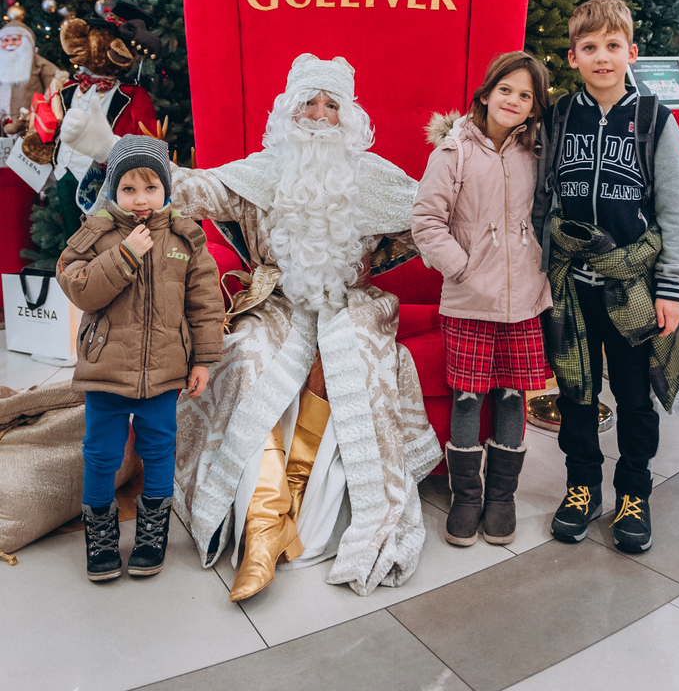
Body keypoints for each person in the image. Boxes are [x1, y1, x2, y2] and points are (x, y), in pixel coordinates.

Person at [58, 53, 442, 598]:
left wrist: (373, 262)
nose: (319, 113)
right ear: (289, 108)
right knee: (246, 365)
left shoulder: (374, 178)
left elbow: (426, 215)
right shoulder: (261, 172)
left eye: (332, 104)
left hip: (349, 305)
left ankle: (293, 510)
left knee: (349, 364)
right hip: (277, 301)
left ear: (348, 115)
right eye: (309, 101)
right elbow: (189, 190)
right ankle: (263, 525)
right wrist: (106, 150)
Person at [536, 0, 679, 554]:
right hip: (573, 290)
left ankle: (634, 492)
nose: (601, 57)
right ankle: (582, 485)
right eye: (588, 48)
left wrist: (672, 286)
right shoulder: (559, 116)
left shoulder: (653, 120)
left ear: (630, 52)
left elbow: (675, 211)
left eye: (611, 46)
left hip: (634, 290)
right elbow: (544, 200)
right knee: (577, 393)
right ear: (573, 56)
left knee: (632, 396)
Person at [56, 135, 225, 582]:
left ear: (166, 189)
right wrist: (125, 252)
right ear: (113, 190)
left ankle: (152, 532)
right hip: (106, 370)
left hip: (165, 373)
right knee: (100, 454)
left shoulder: (186, 238)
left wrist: (203, 360)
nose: (140, 200)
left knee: (158, 449)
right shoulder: (96, 233)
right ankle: (101, 532)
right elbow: (77, 285)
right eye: (128, 189)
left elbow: (205, 304)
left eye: (150, 188)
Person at [412, 52, 552, 549]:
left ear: (535, 109)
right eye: (506, 89)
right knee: (468, 395)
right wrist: (462, 267)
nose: (513, 101)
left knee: (512, 394)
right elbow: (426, 220)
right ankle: (466, 495)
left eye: (526, 95)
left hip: (525, 298)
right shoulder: (455, 150)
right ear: (487, 93)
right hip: (471, 298)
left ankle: (501, 496)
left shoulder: (537, 152)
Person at [0, 19, 63, 134]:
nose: (10, 44)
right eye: (6, 40)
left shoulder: (36, 63)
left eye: (15, 40)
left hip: (29, 121)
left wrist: (43, 108)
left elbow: (54, 80)